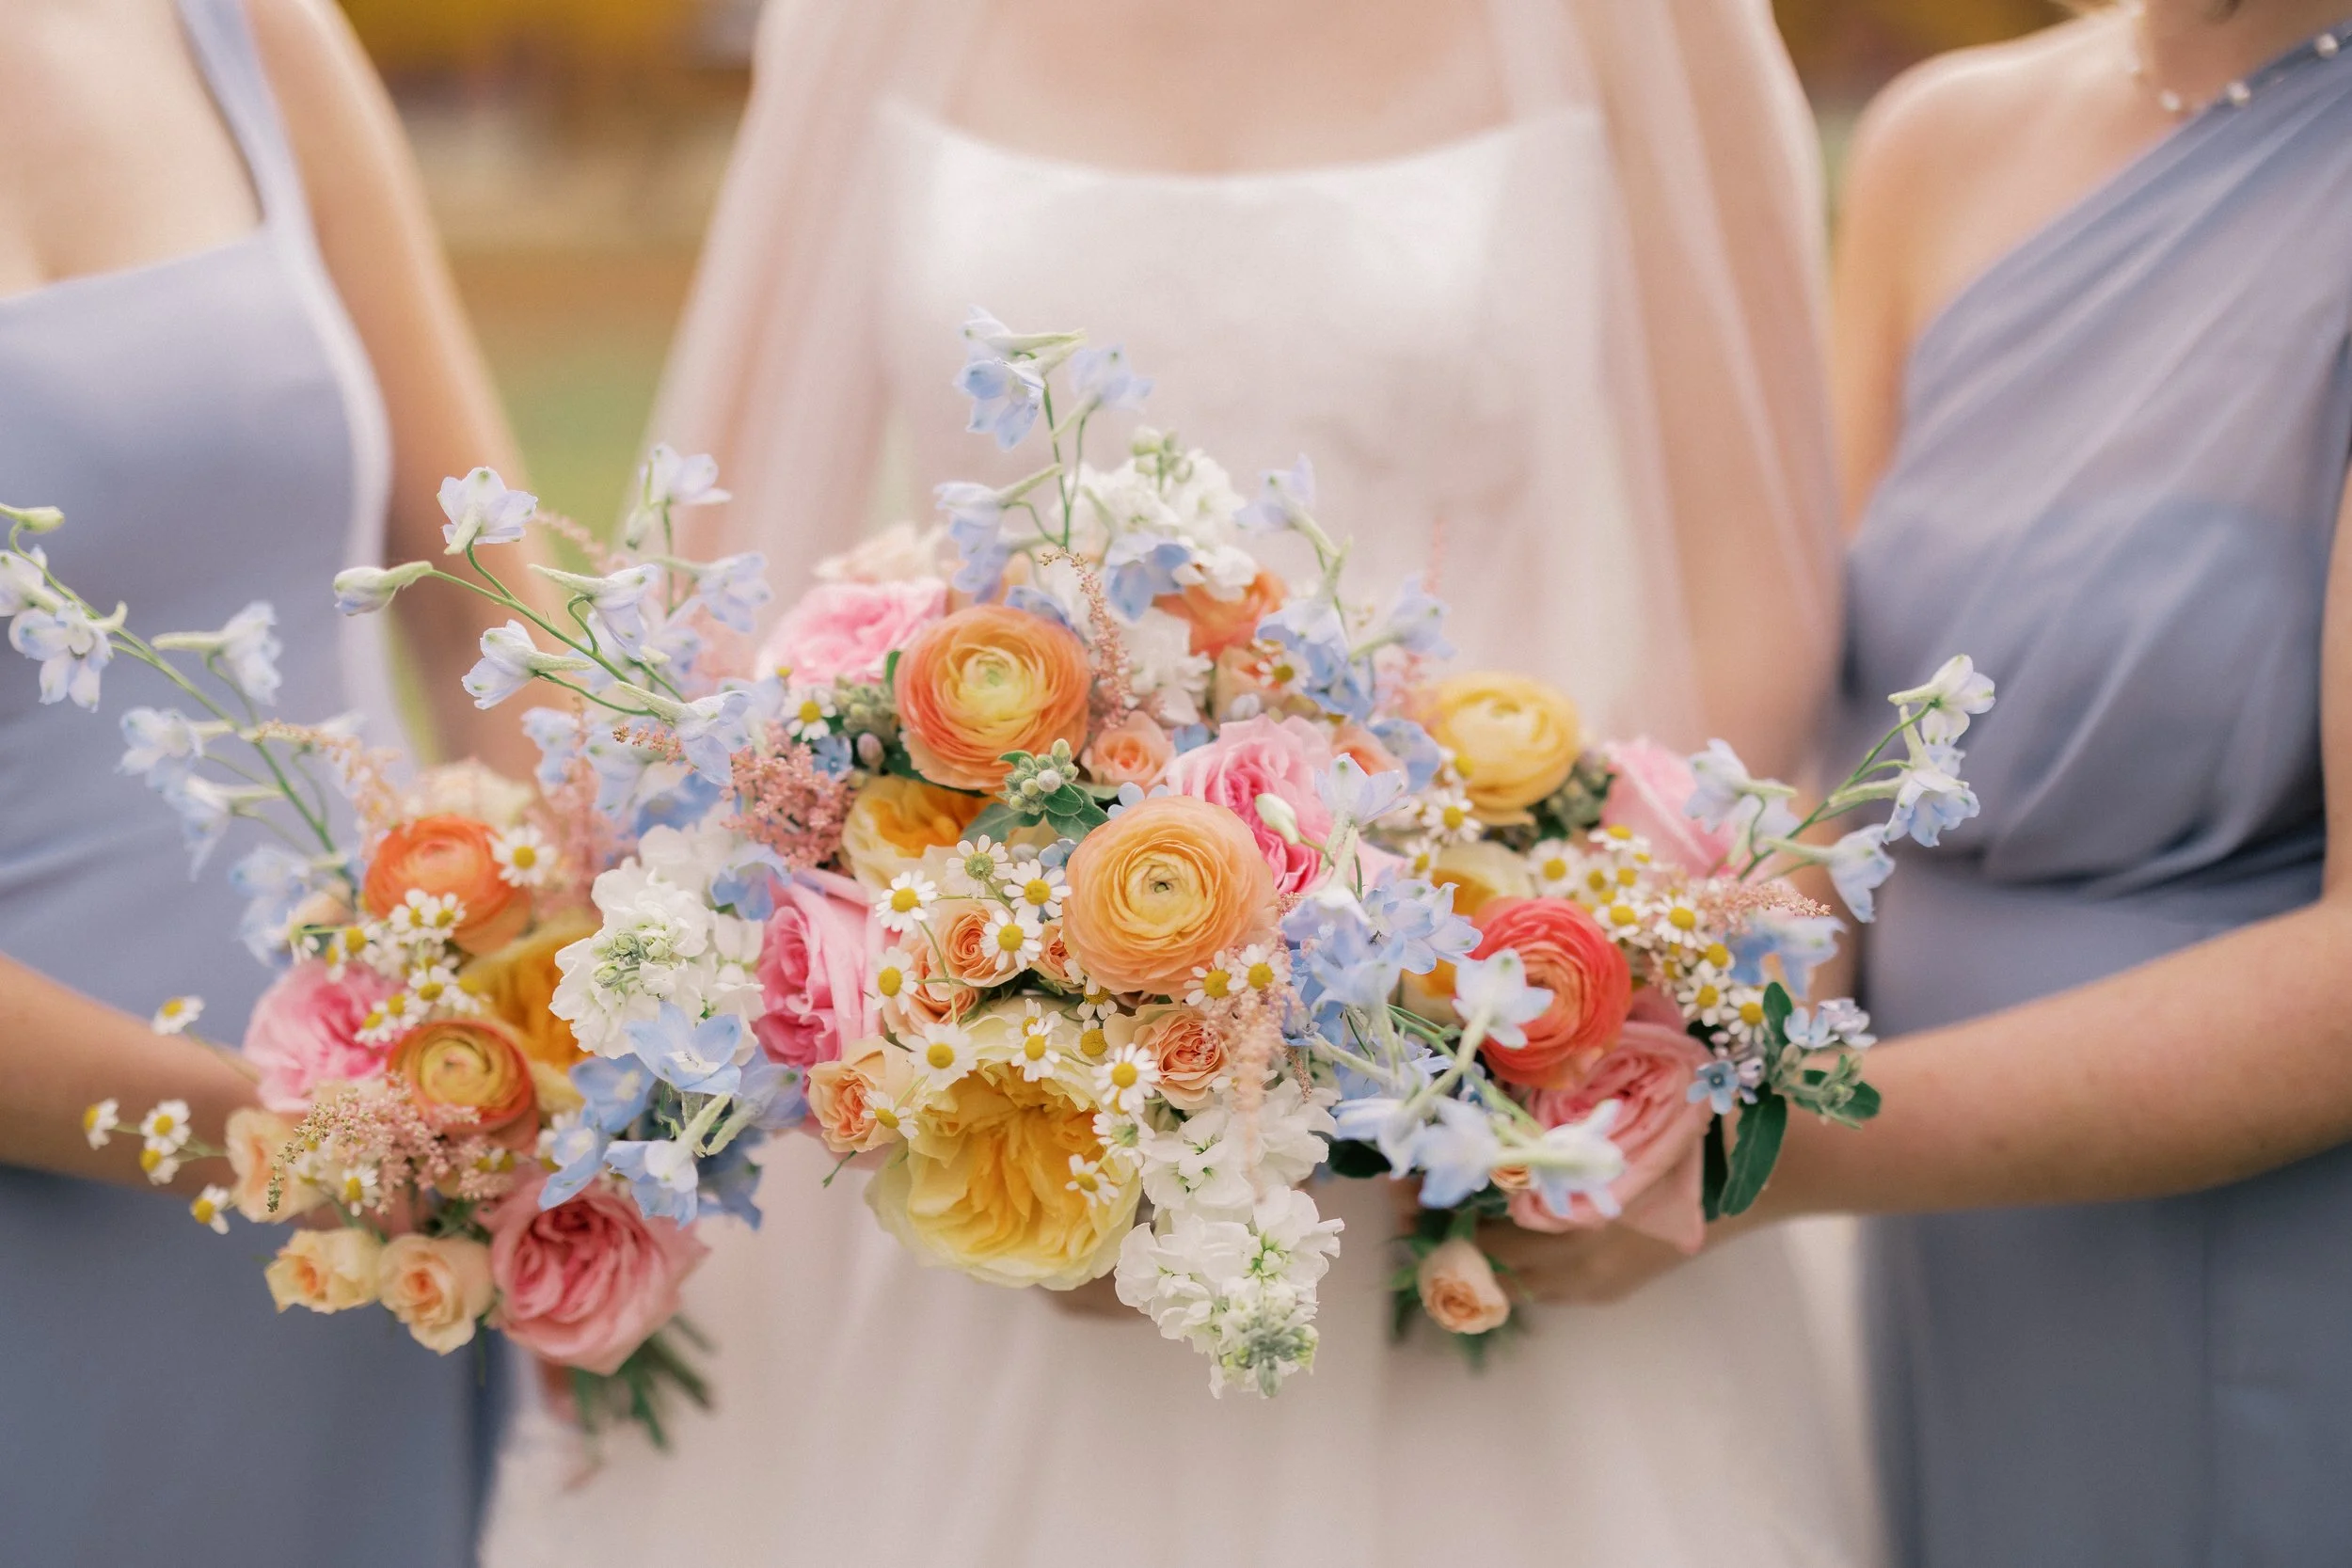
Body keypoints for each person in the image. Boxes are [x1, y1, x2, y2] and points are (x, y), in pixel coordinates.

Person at [483, 3, 1882, 1565]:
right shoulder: (860, 26)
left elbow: (1755, 625)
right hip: (983, 1080)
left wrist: (1523, 1011)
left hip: (1472, 1061)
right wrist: (1008, 1031)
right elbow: (713, 617)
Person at [1524, 1, 2352, 1563]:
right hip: (1946, 1262)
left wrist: (1765, 1152)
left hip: (2241, 1264)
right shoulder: (1944, 140)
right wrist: (1618, 1033)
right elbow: (1839, 767)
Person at [0, 0, 545, 1560]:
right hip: (86, 1253)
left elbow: (490, 616)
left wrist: (577, 1004)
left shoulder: (242, 27)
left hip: (390, 1256)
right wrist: (282, 1137)